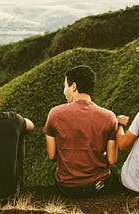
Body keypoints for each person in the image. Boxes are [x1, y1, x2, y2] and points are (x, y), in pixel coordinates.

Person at [43, 65, 119, 198]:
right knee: (113, 170)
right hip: (97, 187)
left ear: (73, 86)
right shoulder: (109, 117)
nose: (64, 91)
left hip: (67, 188)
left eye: (65, 86)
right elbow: (112, 159)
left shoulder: (55, 113)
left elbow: (52, 156)